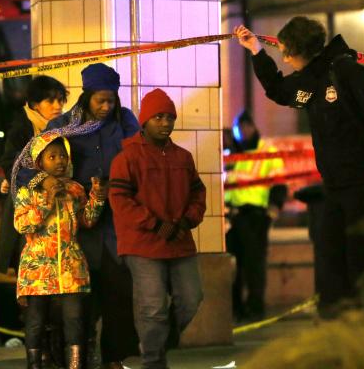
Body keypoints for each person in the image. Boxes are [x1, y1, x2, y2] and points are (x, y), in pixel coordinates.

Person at [234, 18, 364, 318]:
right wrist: (256, 51)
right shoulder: (309, 79)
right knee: (330, 266)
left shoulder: (349, 73)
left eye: (287, 52)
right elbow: (277, 90)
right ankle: (336, 335)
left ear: (305, 51)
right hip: (333, 189)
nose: (284, 59)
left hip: (363, 188)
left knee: (362, 265)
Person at [45, 63, 140, 369]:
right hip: (78, 225)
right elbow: (31, 164)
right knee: (80, 300)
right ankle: (78, 359)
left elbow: (139, 157)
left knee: (119, 292)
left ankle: (113, 358)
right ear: (86, 97)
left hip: (116, 222)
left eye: (111, 99)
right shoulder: (62, 125)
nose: (106, 106)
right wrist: (46, 181)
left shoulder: (124, 121)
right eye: (100, 99)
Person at [108, 88, 205, 369]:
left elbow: (198, 194)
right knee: (152, 308)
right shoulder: (126, 158)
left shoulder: (183, 158)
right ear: (144, 121)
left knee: (191, 298)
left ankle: (160, 342)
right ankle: (153, 361)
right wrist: (155, 224)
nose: (165, 123)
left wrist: (187, 220)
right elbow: (120, 201)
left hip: (179, 241)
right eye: (158, 117)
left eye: (169, 117)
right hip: (142, 245)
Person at [14, 131, 106, 369]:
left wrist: (97, 197)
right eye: (52, 157)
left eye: (63, 156)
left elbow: (87, 220)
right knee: (35, 322)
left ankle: (76, 365)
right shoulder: (28, 191)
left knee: (75, 320)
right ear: (39, 162)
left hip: (70, 266)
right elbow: (22, 224)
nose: (59, 161)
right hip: (37, 268)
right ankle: (35, 365)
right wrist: (46, 201)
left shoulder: (75, 189)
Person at [0, 76, 68, 367]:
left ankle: (56, 354)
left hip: (59, 225)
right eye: (50, 100)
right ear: (34, 103)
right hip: (28, 226)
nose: (56, 106)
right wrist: (42, 178)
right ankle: (42, 357)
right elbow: (10, 165)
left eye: (60, 100)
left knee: (58, 296)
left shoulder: (62, 129)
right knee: (35, 299)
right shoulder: (22, 129)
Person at [224, 110, 284, 321]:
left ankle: (255, 308)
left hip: (256, 216)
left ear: (253, 127)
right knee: (234, 266)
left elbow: (279, 183)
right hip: (232, 217)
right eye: (240, 128)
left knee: (254, 265)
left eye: (246, 127)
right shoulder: (230, 153)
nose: (243, 131)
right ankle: (237, 308)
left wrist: (274, 208)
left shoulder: (267, 151)